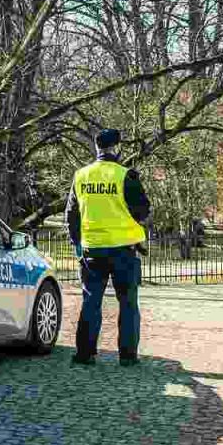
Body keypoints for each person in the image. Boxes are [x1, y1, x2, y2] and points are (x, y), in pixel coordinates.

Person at [64, 128, 151, 366]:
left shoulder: (81, 176)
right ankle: (128, 356)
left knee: (91, 301)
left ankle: (85, 354)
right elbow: (143, 210)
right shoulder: (126, 176)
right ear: (118, 148)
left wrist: (77, 244)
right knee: (128, 302)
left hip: (93, 249)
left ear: (97, 149)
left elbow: (71, 215)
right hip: (123, 249)